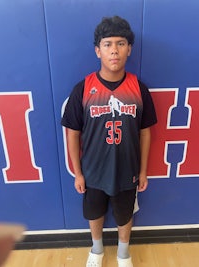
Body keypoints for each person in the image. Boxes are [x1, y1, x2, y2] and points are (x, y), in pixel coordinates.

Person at [61, 15, 157, 267]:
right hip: (93, 171)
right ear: (97, 50)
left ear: (129, 49)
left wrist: (143, 171)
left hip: (127, 170)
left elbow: (145, 131)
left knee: (125, 214)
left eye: (121, 43)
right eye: (107, 44)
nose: (114, 50)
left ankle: (124, 253)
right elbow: (73, 132)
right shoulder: (83, 89)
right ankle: (97, 249)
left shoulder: (139, 88)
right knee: (94, 212)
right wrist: (78, 173)